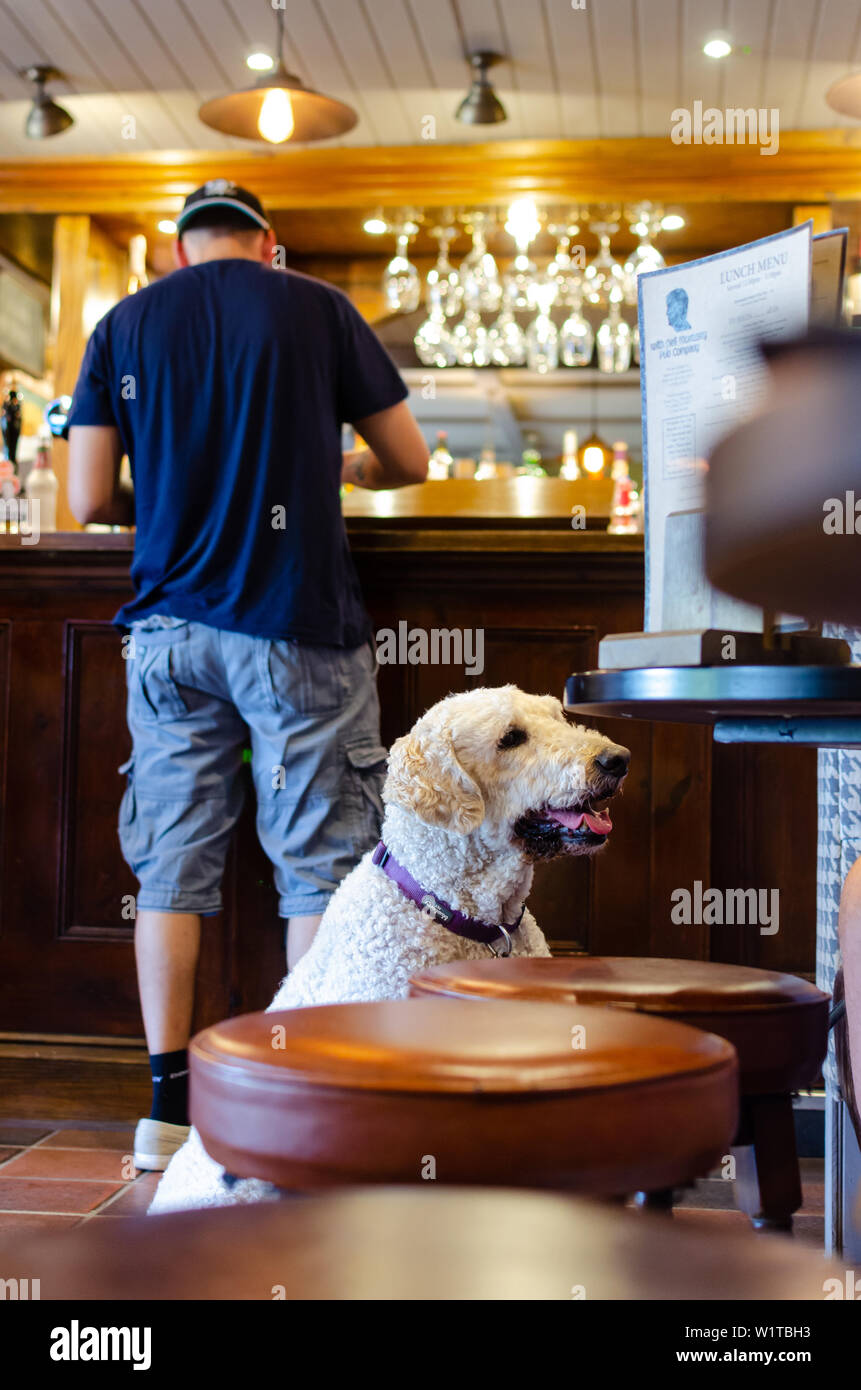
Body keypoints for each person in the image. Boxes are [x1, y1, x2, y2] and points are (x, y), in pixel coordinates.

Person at [67, 180, 428, 1171]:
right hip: (294, 621)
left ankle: (163, 1112)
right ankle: (295, 1101)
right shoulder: (317, 306)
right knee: (315, 861)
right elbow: (411, 459)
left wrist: (183, 483)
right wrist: (334, 470)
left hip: (169, 637)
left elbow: (92, 493)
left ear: (177, 250)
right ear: (269, 244)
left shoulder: (124, 323)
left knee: (170, 867)